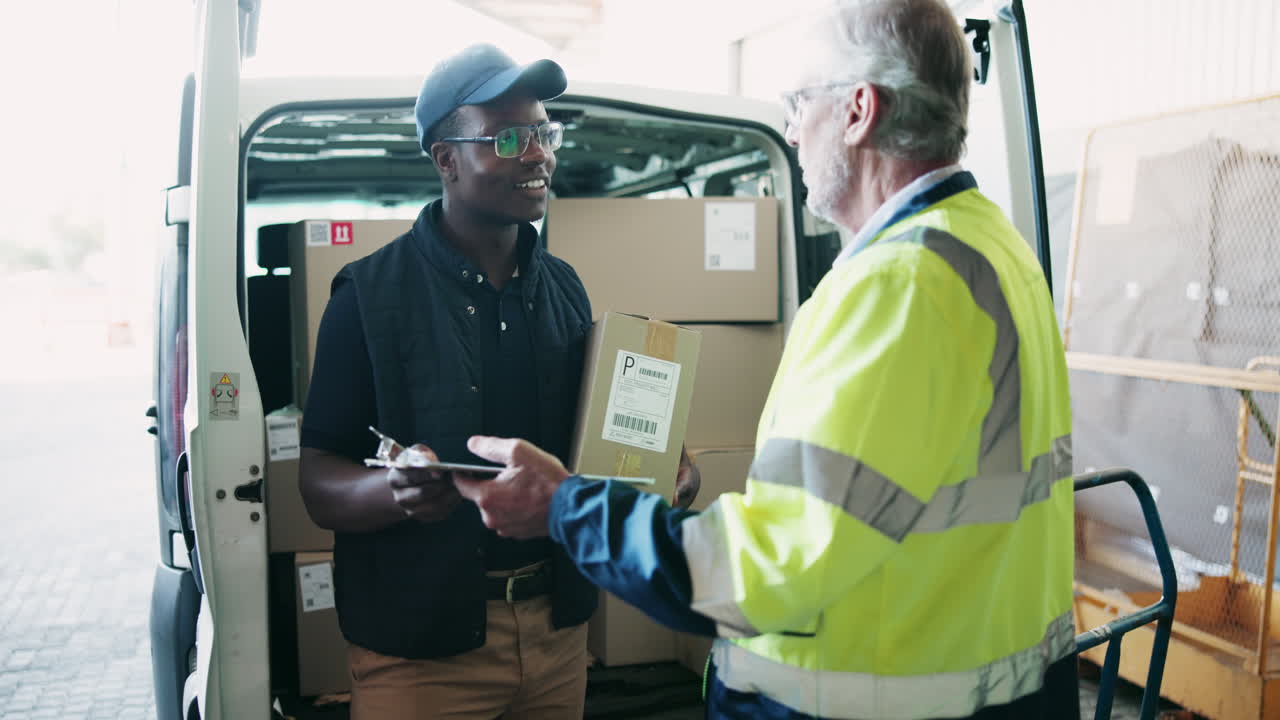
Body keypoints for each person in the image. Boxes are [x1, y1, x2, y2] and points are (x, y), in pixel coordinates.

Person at [453, 2, 1078, 718]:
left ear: (858, 111)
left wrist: (567, 506)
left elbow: (763, 573)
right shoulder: (991, 247)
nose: (793, 130)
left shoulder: (900, 284)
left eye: (799, 103)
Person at [297, 43, 699, 719]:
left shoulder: (564, 288)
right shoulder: (366, 296)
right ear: (446, 159)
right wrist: (395, 492)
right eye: (508, 139)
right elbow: (317, 480)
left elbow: (588, 442)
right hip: (421, 651)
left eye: (544, 133)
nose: (538, 155)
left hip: (557, 635)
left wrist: (664, 465)